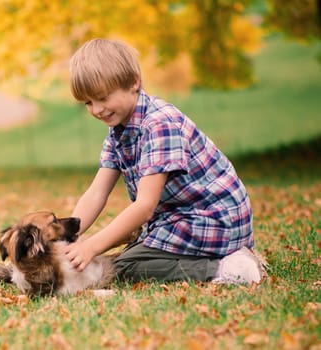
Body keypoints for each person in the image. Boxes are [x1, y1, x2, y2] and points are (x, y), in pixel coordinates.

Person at [64, 38, 266, 284]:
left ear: (133, 82)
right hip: (181, 218)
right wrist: (68, 237)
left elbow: (145, 206)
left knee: (126, 268)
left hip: (214, 219)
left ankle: (227, 268)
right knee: (129, 256)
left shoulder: (159, 123)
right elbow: (97, 192)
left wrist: (92, 246)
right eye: (88, 102)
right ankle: (212, 260)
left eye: (102, 97)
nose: (96, 109)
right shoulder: (119, 130)